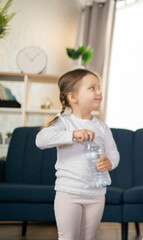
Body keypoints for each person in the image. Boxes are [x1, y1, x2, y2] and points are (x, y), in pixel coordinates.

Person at [36, 68, 120, 240]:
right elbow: (41, 140)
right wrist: (73, 135)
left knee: (88, 238)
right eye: (92, 88)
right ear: (73, 97)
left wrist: (109, 162)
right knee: (68, 237)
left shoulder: (102, 127)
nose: (99, 92)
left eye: (99, 88)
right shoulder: (64, 123)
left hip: (96, 194)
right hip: (69, 192)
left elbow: (114, 154)